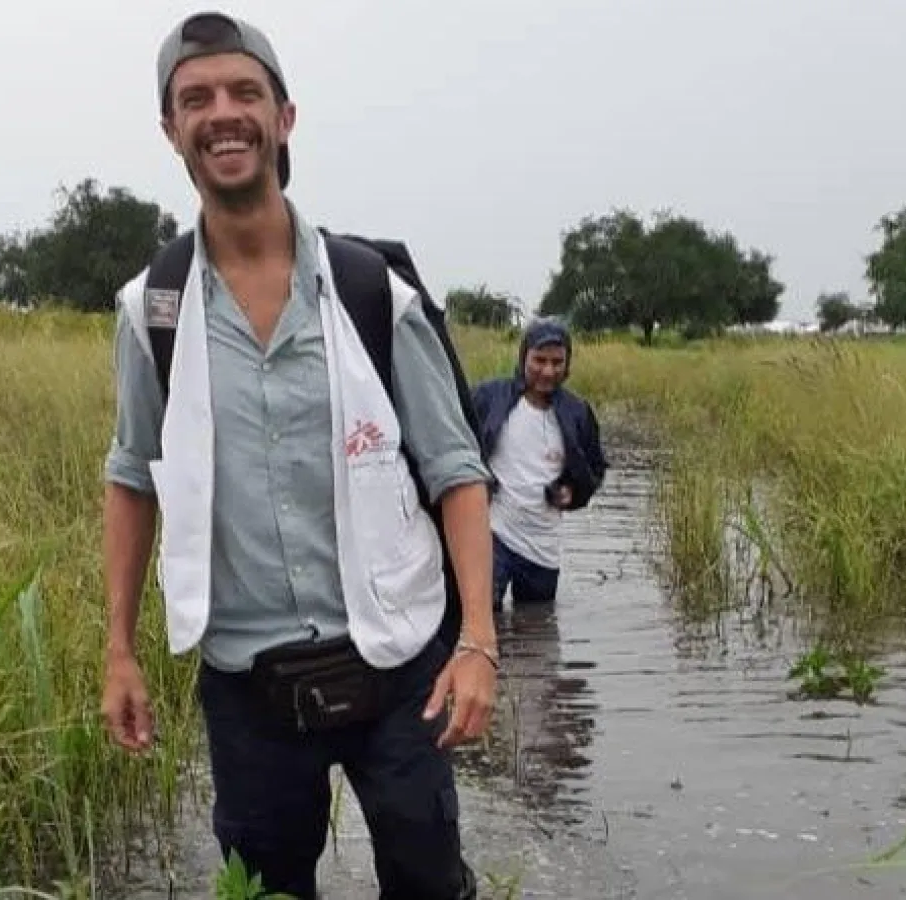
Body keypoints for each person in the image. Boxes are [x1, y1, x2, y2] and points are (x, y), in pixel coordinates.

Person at [99, 11, 497, 900]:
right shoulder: (152, 310)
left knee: (431, 883)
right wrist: (119, 650)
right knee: (267, 889)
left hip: (399, 665)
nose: (222, 113)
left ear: (284, 117)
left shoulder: (370, 292)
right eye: (196, 99)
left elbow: (457, 471)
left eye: (245, 92)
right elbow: (131, 477)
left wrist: (478, 641)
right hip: (249, 686)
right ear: (171, 130)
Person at [471, 318, 607, 611]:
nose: (548, 371)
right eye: (539, 360)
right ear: (524, 357)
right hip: (493, 534)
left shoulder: (578, 413)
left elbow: (595, 469)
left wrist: (572, 493)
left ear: (567, 363)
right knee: (484, 617)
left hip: (543, 545)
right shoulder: (488, 397)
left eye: (557, 362)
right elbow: (457, 444)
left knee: (537, 623)